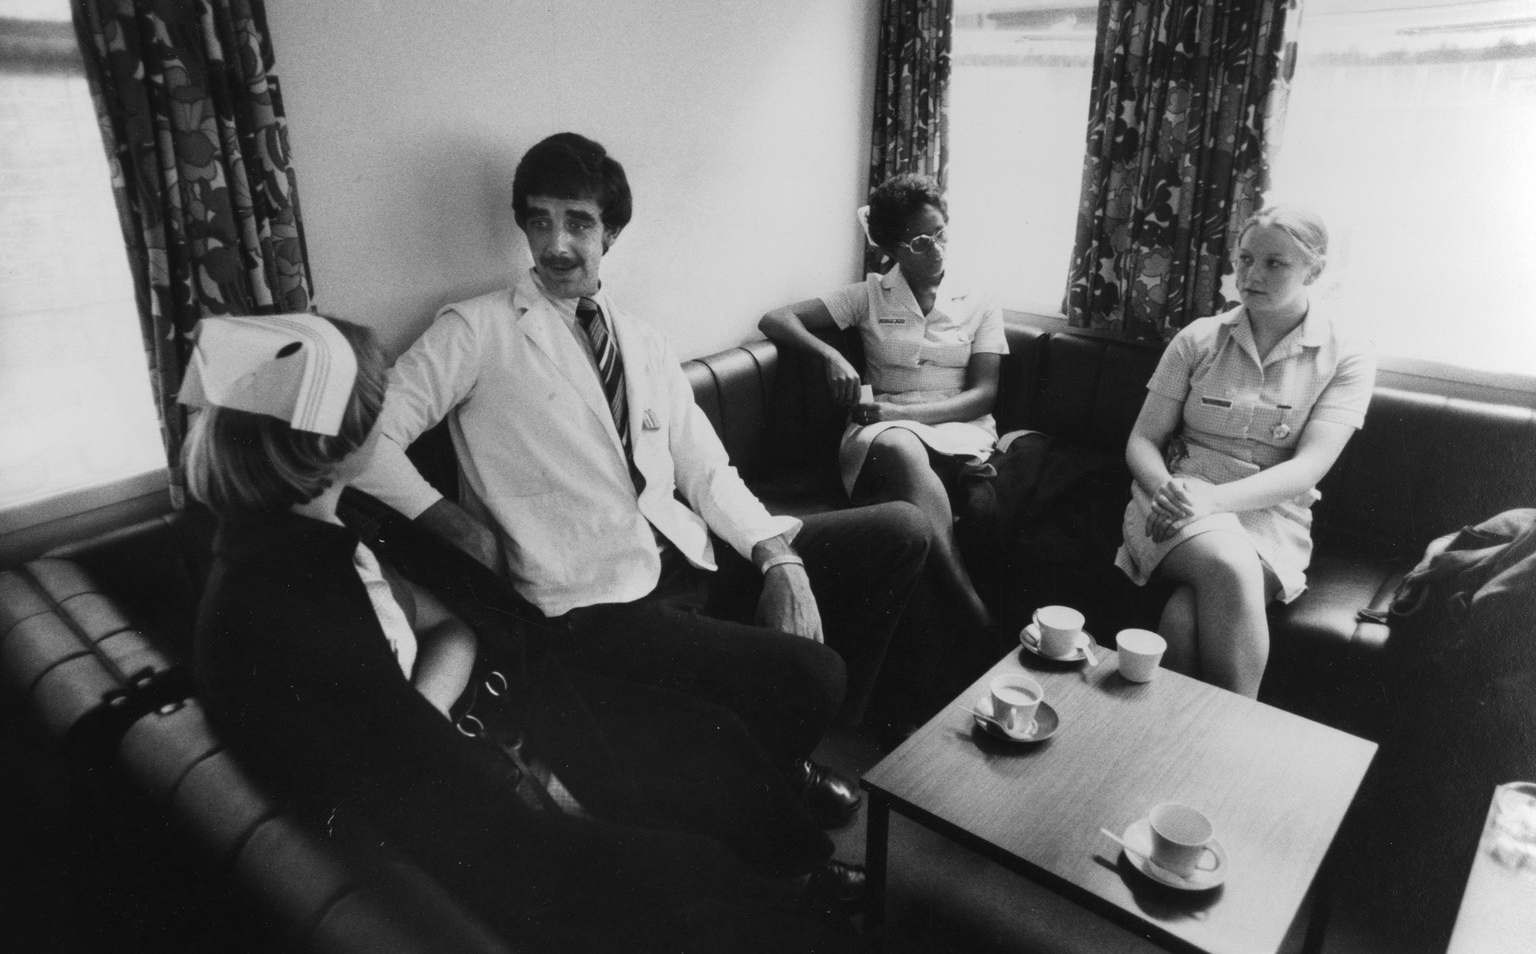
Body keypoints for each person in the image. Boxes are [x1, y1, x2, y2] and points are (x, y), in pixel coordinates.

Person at [186, 313, 866, 953]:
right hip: (484, 812)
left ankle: (800, 875)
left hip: (501, 704)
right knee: (697, 863)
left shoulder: (310, 525)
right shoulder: (288, 599)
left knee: (705, 737)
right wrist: (526, 763)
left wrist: (433, 703)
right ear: (336, 441)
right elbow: (444, 794)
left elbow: (443, 625)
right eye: (375, 399)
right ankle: (790, 915)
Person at [353, 132, 939, 822]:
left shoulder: (641, 341)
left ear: (613, 232)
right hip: (594, 607)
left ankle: (779, 756)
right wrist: (441, 515)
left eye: (579, 222)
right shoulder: (475, 331)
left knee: (903, 529)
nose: (557, 244)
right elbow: (364, 439)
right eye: (540, 220)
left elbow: (705, 468)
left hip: (684, 559)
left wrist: (778, 556)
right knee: (817, 674)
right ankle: (778, 784)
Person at [1115, 204, 1376, 697]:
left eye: (1275, 263)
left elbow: (1308, 468)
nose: (1252, 275)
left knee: (1184, 615)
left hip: (1273, 514)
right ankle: (1238, 744)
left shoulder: (1349, 354)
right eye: (1245, 259)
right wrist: (1169, 490)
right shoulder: (1198, 338)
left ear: (1314, 270)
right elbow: (1143, 440)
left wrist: (1217, 502)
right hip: (1175, 500)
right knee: (1230, 565)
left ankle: (1175, 751)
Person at [760, 173, 1006, 632]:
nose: (936, 249)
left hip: (957, 424)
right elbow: (776, 319)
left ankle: (940, 602)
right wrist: (830, 353)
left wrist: (904, 414)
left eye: (940, 233)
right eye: (919, 242)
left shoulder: (980, 298)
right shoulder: (870, 293)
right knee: (898, 448)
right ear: (892, 247)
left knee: (911, 476)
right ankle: (966, 598)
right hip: (880, 428)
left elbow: (984, 395)